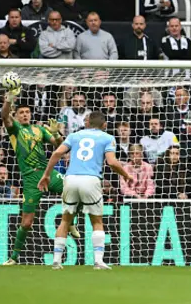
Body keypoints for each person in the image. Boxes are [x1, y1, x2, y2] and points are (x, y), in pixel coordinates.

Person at [37, 111, 132, 270]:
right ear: (104, 125)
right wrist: (126, 175)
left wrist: (46, 174)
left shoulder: (74, 135)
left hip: (71, 179)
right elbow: (112, 162)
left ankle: (56, 261)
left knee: (66, 220)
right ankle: (98, 262)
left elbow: (57, 153)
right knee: (97, 221)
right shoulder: (108, 138)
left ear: (88, 123)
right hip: (91, 179)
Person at [0, 86, 78, 266]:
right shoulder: (16, 130)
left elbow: (60, 146)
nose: (25, 115)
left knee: (74, 190)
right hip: (30, 179)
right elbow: (5, 116)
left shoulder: (39, 130)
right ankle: (14, 257)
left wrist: (57, 132)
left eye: (27, 112)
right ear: (17, 115)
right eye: (22, 113)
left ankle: (70, 221)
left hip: (47, 173)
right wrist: (10, 97)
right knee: (26, 223)